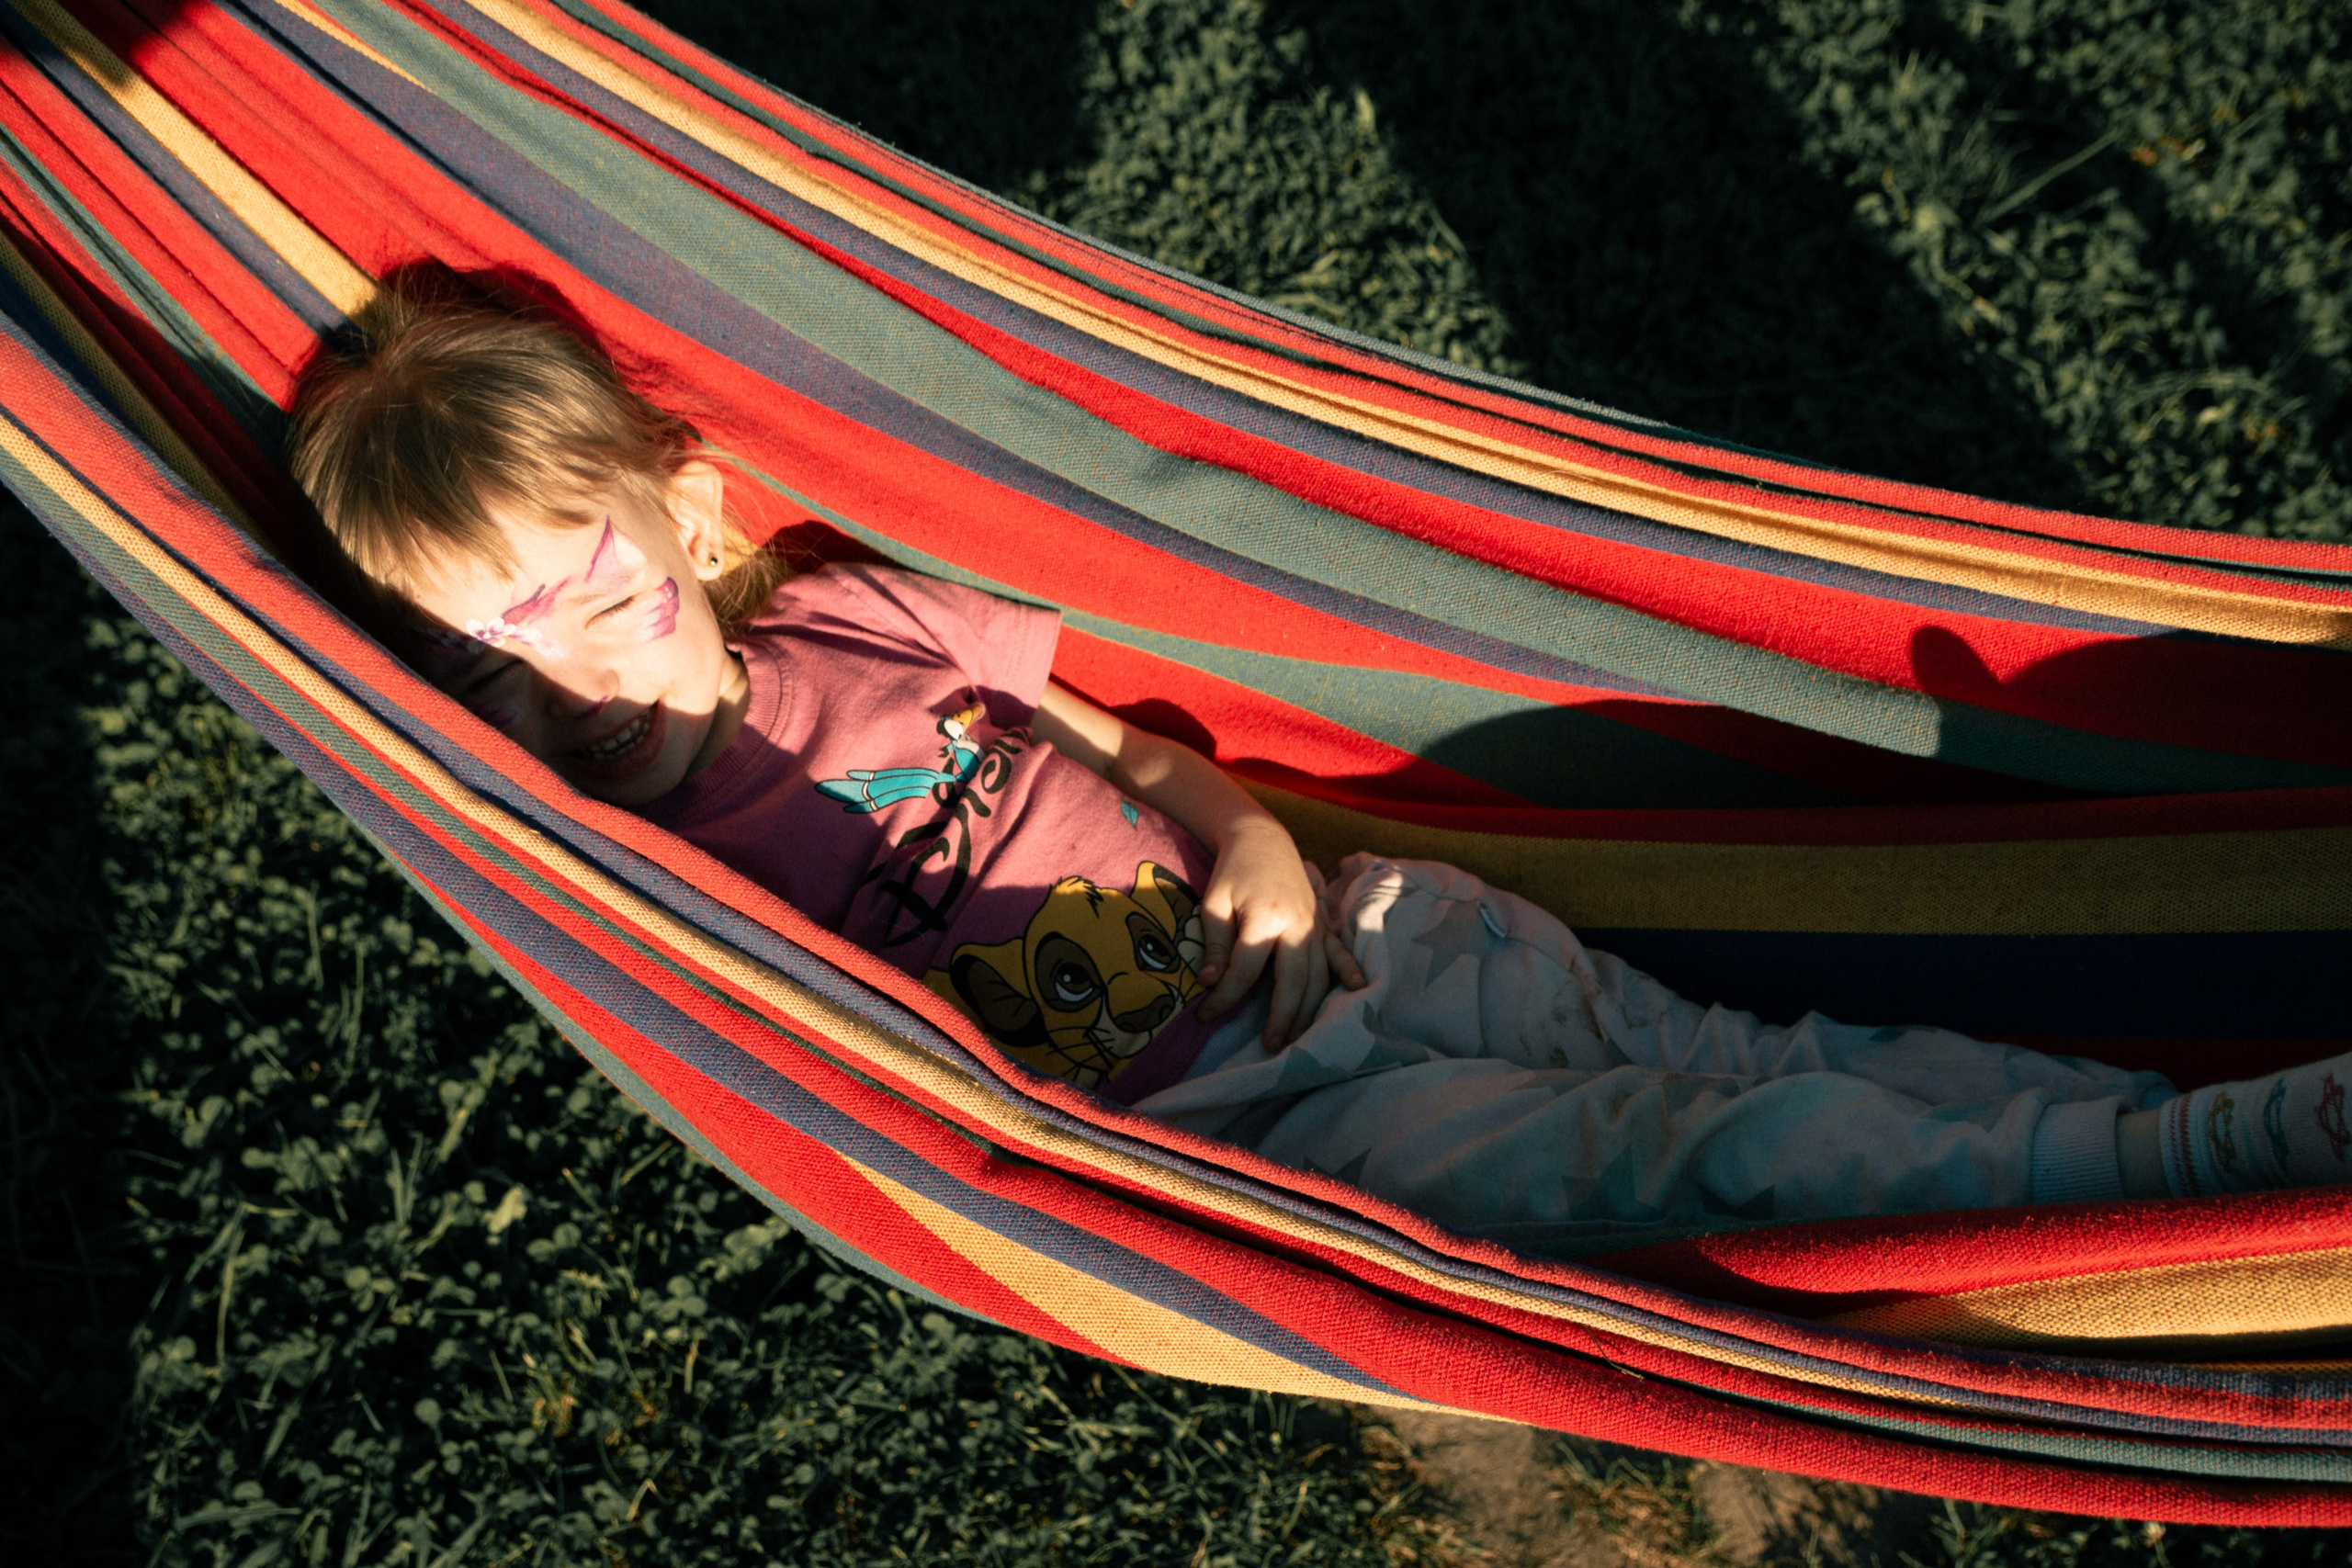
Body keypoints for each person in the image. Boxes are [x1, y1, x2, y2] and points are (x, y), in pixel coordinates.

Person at [287, 274, 2348, 1242]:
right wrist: (518, 767)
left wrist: (1256, 835)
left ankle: (2196, 1136)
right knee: (1713, 1158)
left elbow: (1118, 746)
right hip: (1268, 1119)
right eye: (502, 637)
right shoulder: (626, 850)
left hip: (1374, 932)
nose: (574, 652)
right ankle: (2170, 1186)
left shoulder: (853, 611)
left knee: (1771, 1053)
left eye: (597, 584)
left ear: (695, 514)